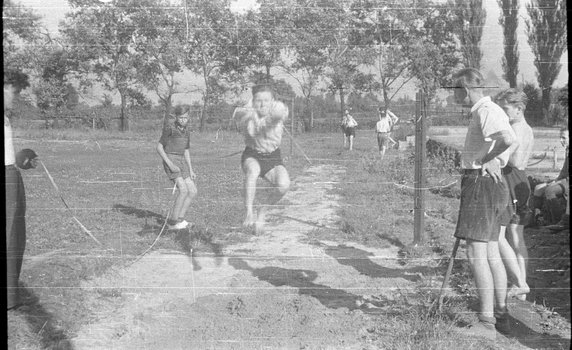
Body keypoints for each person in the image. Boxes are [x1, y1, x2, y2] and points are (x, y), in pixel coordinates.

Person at [451, 68, 516, 339]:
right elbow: (507, 139)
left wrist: (487, 158)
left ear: (465, 89)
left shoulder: (484, 110)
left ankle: (486, 322)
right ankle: (501, 316)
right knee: (490, 253)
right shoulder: (490, 110)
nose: (454, 95)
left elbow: (508, 139)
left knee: (476, 254)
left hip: (481, 184)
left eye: (455, 90)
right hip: (489, 185)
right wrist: (491, 157)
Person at [495, 89, 534, 301]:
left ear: (518, 109)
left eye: (505, 108)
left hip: (513, 180)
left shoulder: (517, 130)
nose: (503, 112)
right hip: (520, 182)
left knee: (501, 235)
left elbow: (516, 161)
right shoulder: (526, 128)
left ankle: (520, 283)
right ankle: (521, 286)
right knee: (517, 237)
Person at [5, 73, 38, 310]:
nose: (15, 97)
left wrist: (23, 158)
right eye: (12, 92)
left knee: (16, 235)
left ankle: (12, 295)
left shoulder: (6, 118)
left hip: (12, 176)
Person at [239, 84, 290, 234]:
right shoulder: (248, 111)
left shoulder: (278, 110)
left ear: (272, 101)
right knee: (253, 171)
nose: (262, 104)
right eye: (258, 100)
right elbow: (239, 113)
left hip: (272, 157)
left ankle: (263, 210)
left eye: (266, 100)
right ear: (253, 101)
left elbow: (279, 113)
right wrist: (249, 112)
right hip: (252, 155)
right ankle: (248, 212)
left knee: (284, 185)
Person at [157, 105, 197, 230]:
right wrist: (171, 164)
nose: (183, 120)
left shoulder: (187, 131)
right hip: (171, 160)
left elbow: (186, 150)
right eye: (181, 117)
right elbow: (159, 148)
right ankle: (172, 223)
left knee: (193, 191)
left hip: (181, 161)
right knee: (183, 190)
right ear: (176, 117)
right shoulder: (170, 129)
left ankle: (180, 219)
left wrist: (190, 169)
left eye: (186, 117)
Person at [530, 126, 569, 227]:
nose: (561, 140)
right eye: (560, 137)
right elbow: (564, 171)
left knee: (550, 190)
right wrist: (556, 179)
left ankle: (558, 221)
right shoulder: (567, 150)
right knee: (538, 188)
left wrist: (558, 182)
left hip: (567, 182)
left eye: (564, 138)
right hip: (564, 180)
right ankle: (538, 216)